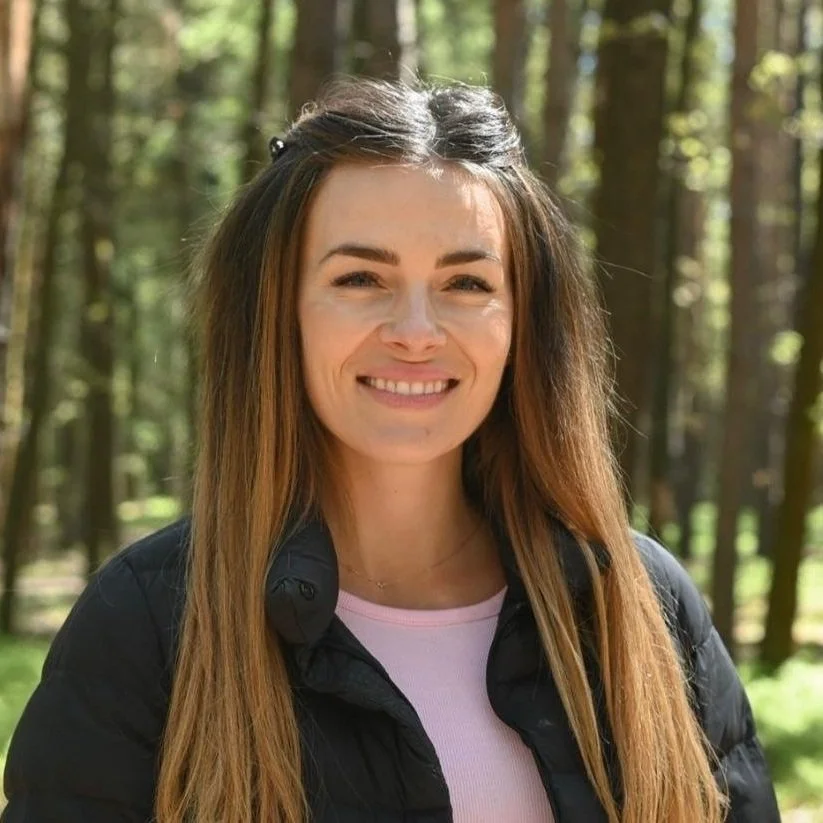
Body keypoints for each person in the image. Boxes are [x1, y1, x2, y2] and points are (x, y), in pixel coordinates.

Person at [2, 78, 779, 823]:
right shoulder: (148, 622)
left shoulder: (637, 601)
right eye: (361, 277)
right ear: (280, 314)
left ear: (522, 325)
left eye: (466, 284)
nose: (415, 331)